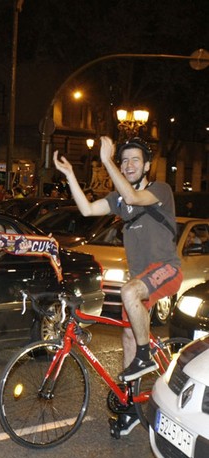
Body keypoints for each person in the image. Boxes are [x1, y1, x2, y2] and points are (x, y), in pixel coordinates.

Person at [53, 136, 181, 436]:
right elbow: (85, 209)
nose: (129, 165)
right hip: (141, 280)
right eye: (124, 161)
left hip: (166, 270)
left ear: (147, 165)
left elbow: (136, 199)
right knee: (127, 335)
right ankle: (131, 405)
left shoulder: (160, 190)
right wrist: (71, 174)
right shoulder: (118, 200)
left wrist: (107, 159)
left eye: (135, 160)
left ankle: (145, 357)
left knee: (129, 294)